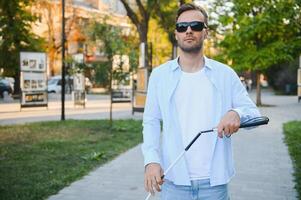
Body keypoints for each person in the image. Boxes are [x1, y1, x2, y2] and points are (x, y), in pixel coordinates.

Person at [142, 3, 260, 200]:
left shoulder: (225, 74)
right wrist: (151, 161)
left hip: (214, 186)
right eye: (182, 27)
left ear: (206, 32)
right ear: (176, 34)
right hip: (172, 182)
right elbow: (151, 121)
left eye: (196, 25)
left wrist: (237, 113)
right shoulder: (159, 76)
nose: (188, 30)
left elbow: (253, 113)